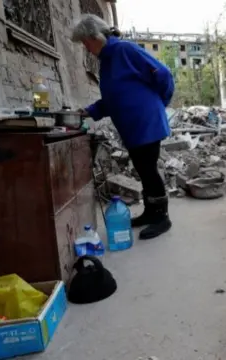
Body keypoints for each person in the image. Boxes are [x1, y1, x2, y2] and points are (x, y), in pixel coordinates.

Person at [71, 14, 174, 240]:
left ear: (96, 36)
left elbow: (163, 74)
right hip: (132, 126)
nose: (86, 48)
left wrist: (160, 103)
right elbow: (113, 98)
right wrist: (89, 111)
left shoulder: (124, 50)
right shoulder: (106, 61)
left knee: (148, 169)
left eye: (86, 42)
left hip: (145, 122)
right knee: (142, 169)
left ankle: (162, 217)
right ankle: (150, 211)